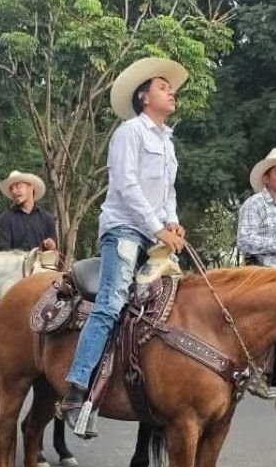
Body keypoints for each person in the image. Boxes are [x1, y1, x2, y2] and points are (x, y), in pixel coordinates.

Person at [59, 57, 189, 432]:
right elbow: (127, 186)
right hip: (124, 231)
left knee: (176, 299)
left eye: (171, 89)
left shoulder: (167, 142)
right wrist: (156, 227)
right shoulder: (130, 132)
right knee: (112, 301)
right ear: (145, 96)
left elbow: (167, 192)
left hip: (154, 233)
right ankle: (76, 387)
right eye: (164, 88)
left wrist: (172, 222)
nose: (171, 93)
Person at [0, 170, 58, 254]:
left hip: (41, 266)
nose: (14, 191)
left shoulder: (47, 219)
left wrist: (51, 246)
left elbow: (52, 254)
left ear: (31, 187)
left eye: (18, 186)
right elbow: (4, 255)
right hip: (16, 266)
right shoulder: (5, 219)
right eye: (11, 188)